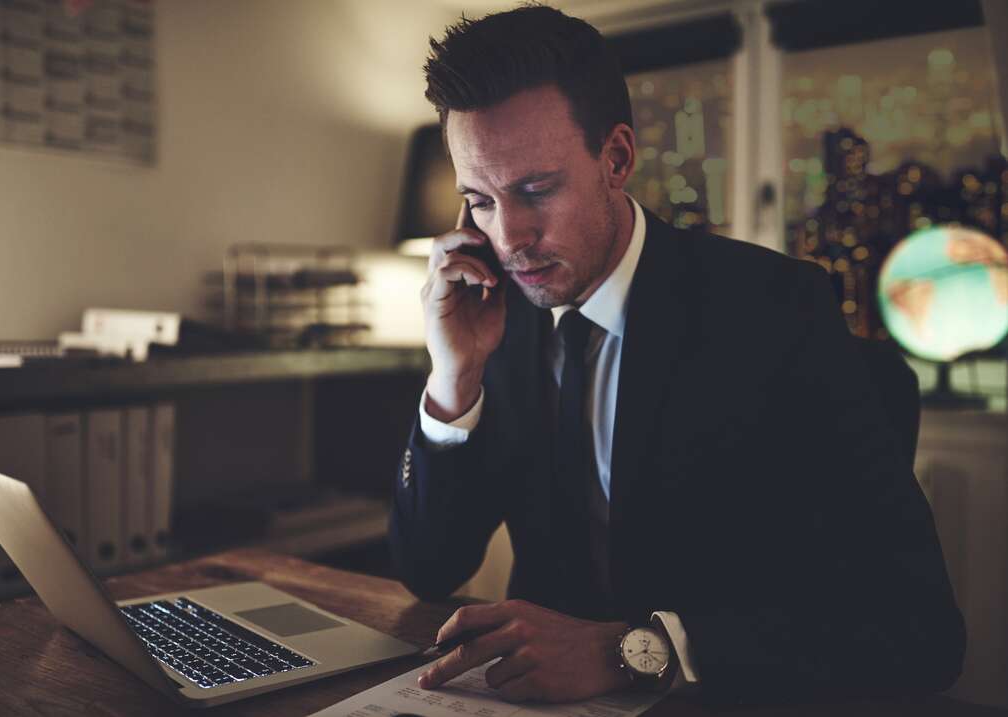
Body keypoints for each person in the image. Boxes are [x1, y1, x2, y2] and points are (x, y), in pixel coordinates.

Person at [388, 4, 964, 706]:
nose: (508, 236)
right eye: (478, 200)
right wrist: (453, 378)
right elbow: (428, 565)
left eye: (536, 190)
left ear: (618, 159)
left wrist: (639, 650)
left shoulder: (776, 312)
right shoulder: (495, 315)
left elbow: (920, 632)